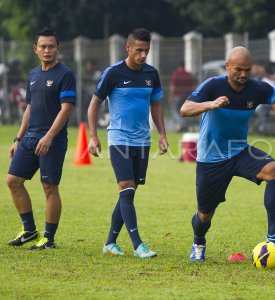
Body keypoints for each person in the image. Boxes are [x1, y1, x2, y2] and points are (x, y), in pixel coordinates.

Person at [180, 46, 275, 262]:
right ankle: (198, 241)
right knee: (204, 214)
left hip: (239, 151)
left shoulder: (256, 89)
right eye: (238, 69)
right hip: (211, 158)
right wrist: (211, 104)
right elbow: (185, 109)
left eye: (247, 70)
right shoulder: (213, 86)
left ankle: (274, 232)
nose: (243, 75)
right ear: (227, 66)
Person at [87, 28, 168, 258]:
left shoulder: (152, 73)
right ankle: (137, 245)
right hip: (119, 140)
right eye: (139, 50)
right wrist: (93, 136)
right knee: (127, 189)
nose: (143, 55)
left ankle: (110, 243)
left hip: (143, 141)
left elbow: (157, 105)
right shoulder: (112, 73)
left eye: (147, 51)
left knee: (129, 193)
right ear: (128, 48)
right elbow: (94, 105)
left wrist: (162, 134)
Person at [6, 27, 76, 250]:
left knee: (49, 187)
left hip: (52, 140)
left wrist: (48, 137)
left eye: (51, 46)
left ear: (58, 48)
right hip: (29, 138)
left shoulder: (65, 74)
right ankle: (29, 230)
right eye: (43, 46)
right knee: (13, 181)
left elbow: (66, 110)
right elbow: (29, 107)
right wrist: (18, 138)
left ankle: (48, 238)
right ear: (35, 49)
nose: (47, 50)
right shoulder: (33, 74)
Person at [169, 61, 196, 131]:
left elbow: (173, 86)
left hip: (177, 95)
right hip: (187, 96)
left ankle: (183, 123)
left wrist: (171, 96)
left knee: (175, 111)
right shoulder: (188, 74)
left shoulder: (176, 74)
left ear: (178, 67)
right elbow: (192, 87)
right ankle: (183, 126)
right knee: (185, 111)